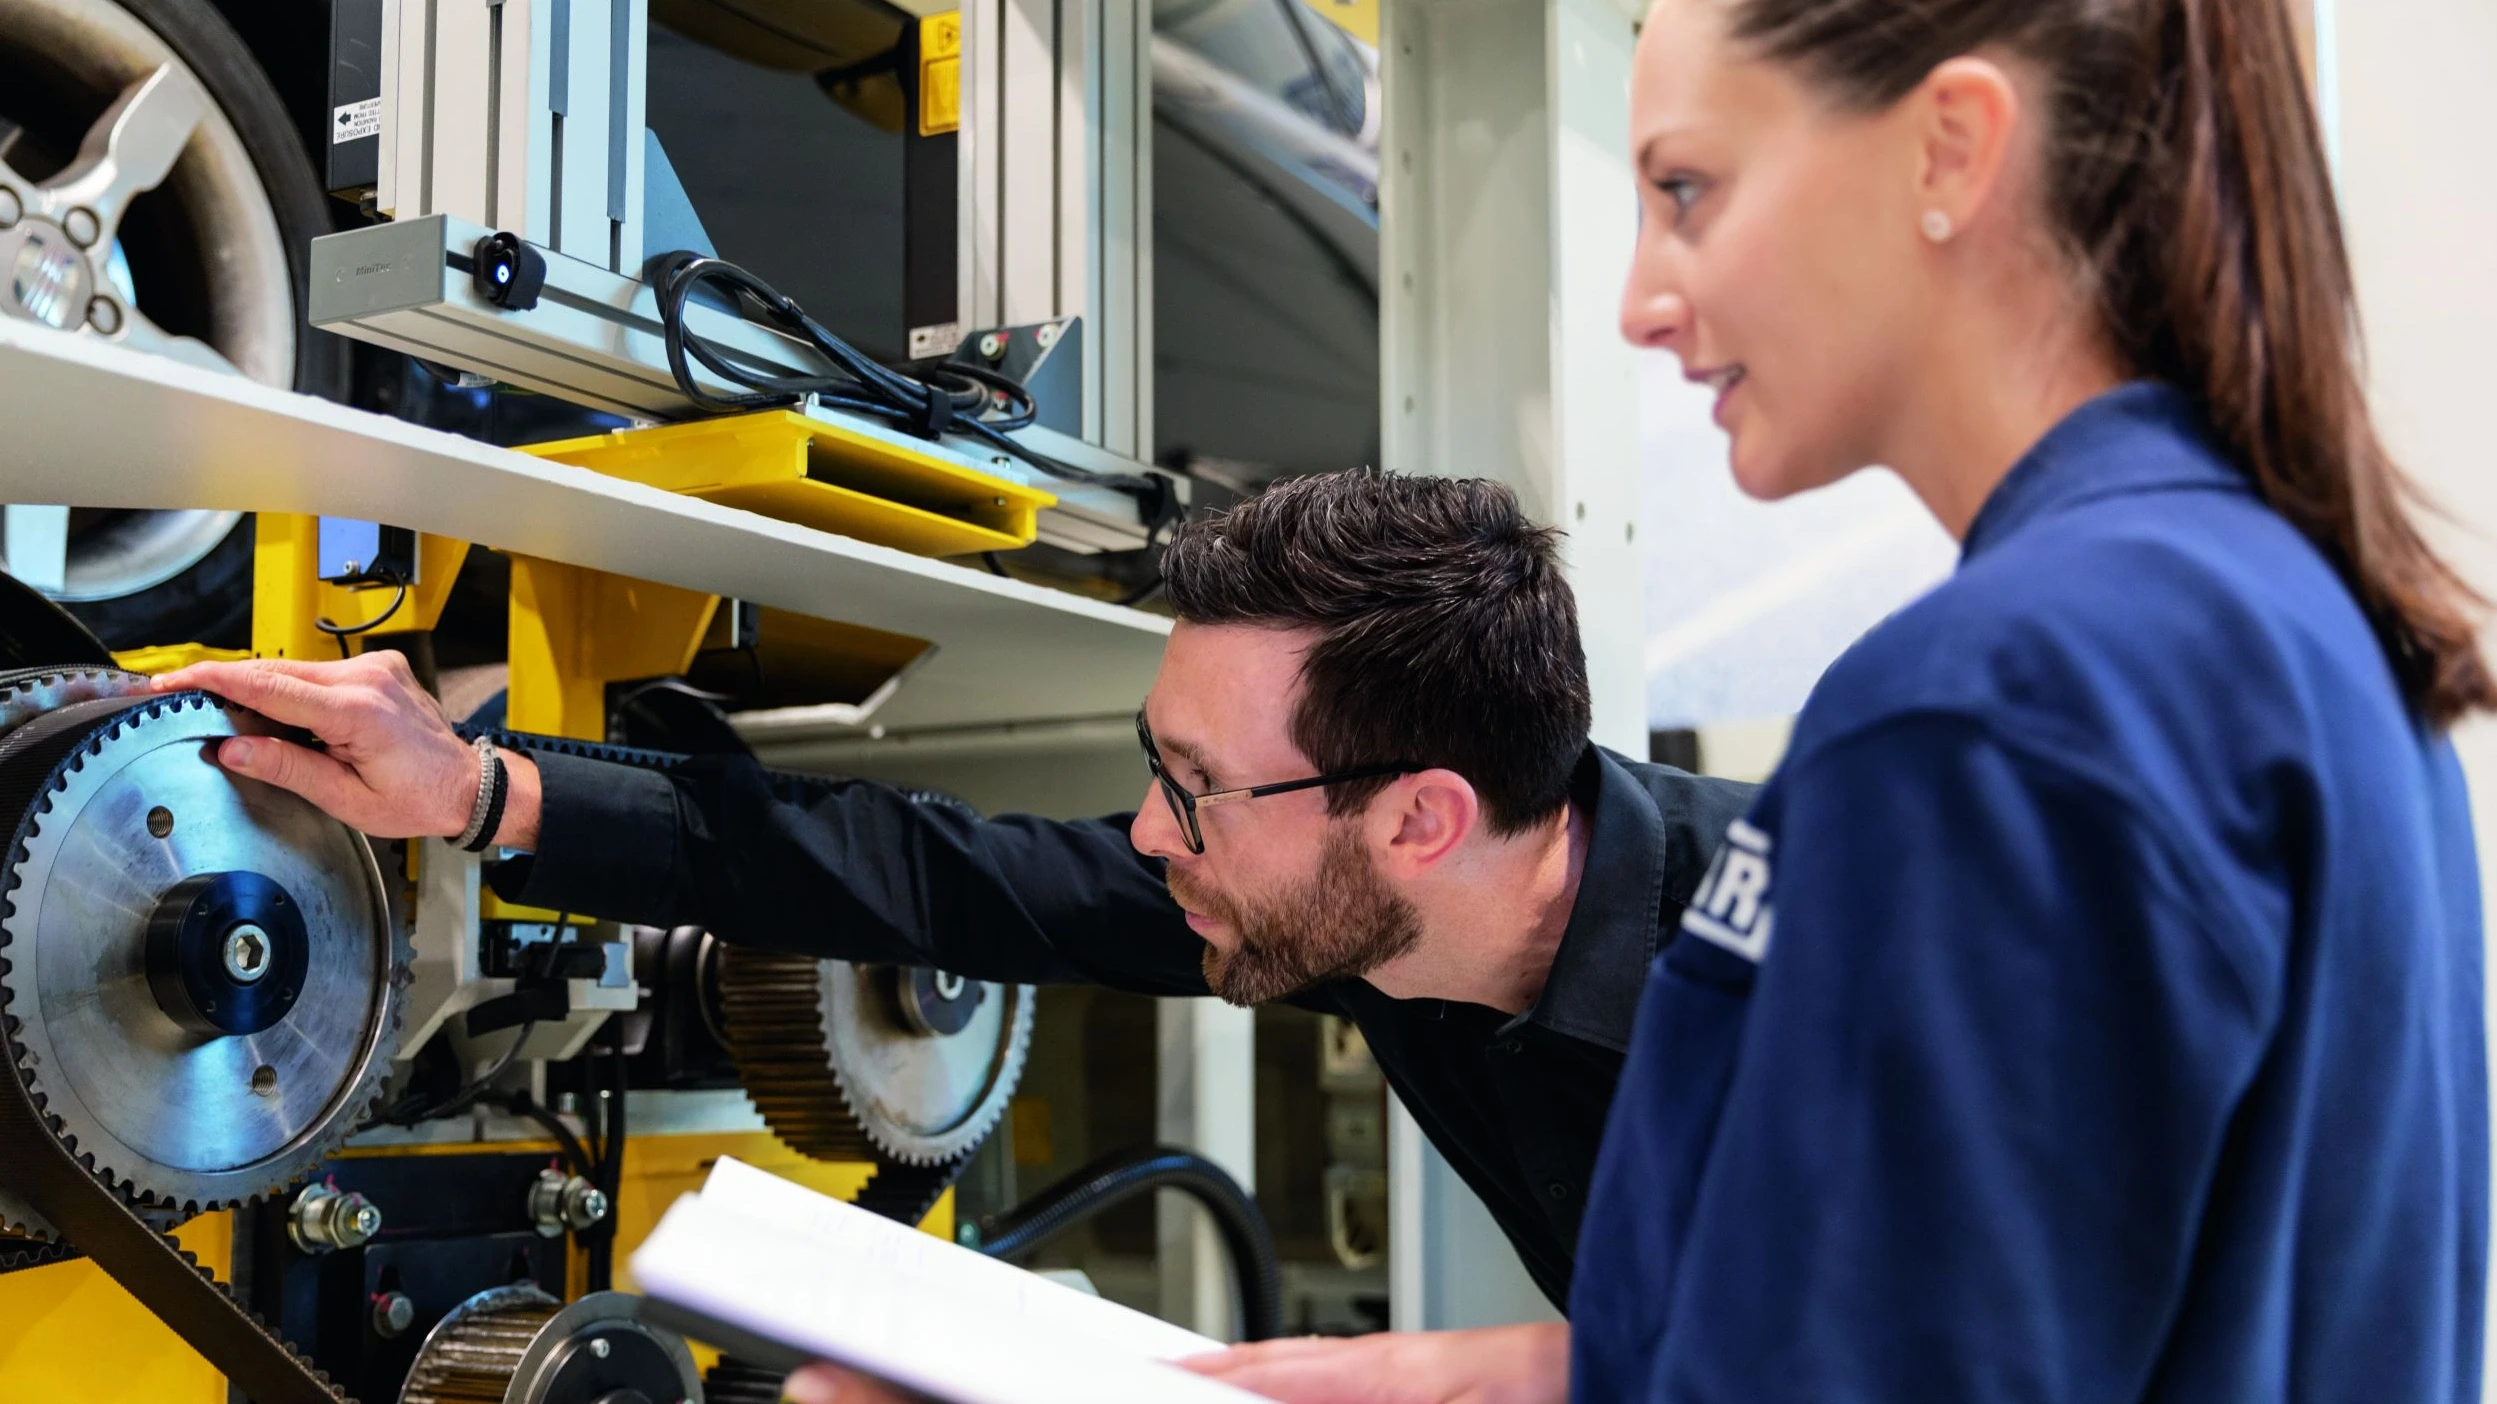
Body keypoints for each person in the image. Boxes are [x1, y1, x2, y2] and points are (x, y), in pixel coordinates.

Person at [1178, 0, 2492, 1401]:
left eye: (1688, 192)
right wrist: (1531, 1376)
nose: (1641, 300)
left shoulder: (1992, 706)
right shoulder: (2287, 631)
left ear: (1949, 150)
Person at [154, 468, 1755, 1327]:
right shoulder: (1375, 917)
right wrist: (486, 794)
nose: (1145, 831)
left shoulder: (1843, 961)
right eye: (1154, 763)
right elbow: (946, 877)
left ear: (1417, 820)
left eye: (1193, 790)